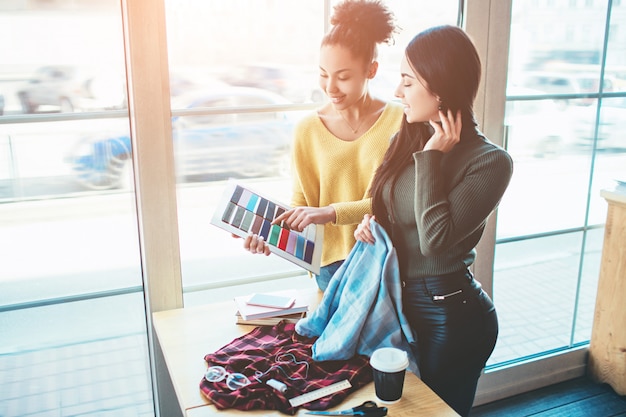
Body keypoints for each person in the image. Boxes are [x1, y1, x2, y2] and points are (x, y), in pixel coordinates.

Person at [353, 25, 514, 416]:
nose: (397, 92)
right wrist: (371, 227)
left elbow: (435, 241)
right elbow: (384, 206)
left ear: (440, 89)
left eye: (408, 81)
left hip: (452, 319)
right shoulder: (407, 137)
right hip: (398, 302)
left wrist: (432, 158)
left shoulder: (490, 162)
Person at [244, 0, 403, 291]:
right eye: (323, 74)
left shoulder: (400, 121)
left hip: (390, 261)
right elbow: (302, 207)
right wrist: (271, 237)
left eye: (343, 77)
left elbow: (399, 203)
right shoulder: (307, 130)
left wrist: (331, 212)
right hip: (332, 269)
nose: (330, 87)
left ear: (371, 69)